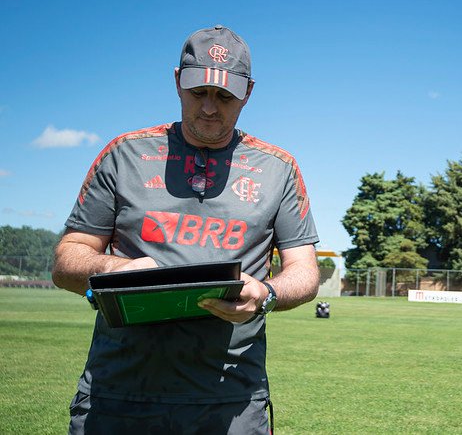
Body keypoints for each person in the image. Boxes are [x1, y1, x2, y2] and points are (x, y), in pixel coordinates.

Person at [52, 25, 320, 434]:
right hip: (119, 395)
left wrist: (266, 293)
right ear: (178, 81)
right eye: (199, 92)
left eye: (225, 96)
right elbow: (67, 256)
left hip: (231, 402)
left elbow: (305, 270)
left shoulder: (277, 169)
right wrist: (112, 271)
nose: (210, 108)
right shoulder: (125, 154)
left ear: (248, 92)